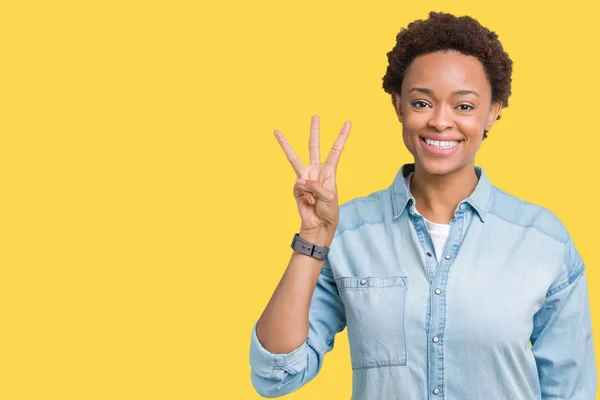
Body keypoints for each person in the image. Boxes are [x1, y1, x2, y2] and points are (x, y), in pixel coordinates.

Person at [248, 11, 597, 400]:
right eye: (422, 103)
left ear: (492, 112)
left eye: (464, 106)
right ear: (399, 106)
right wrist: (312, 238)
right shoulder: (348, 232)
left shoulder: (544, 241)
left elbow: (572, 390)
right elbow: (275, 374)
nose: (441, 122)